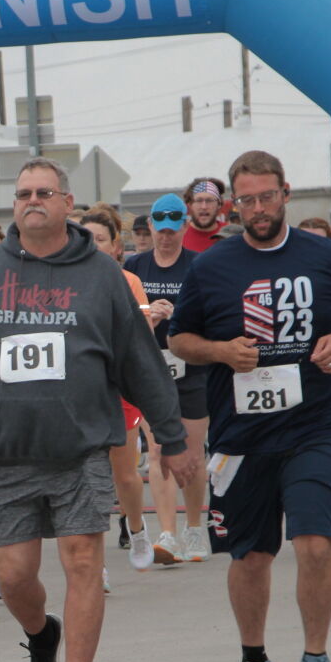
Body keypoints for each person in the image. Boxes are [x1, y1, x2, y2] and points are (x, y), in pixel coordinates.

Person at [0, 159, 194, 662]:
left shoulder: (101, 275)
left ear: (67, 202)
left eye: (43, 192)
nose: (32, 201)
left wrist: (171, 438)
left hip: (81, 451)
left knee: (82, 560)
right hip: (5, 453)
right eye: (23, 193)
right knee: (15, 574)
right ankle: (40, 637)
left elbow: (140, 365)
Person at [167, 150, 331, 662]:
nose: (257, 209)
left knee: (314, 543)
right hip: (241, 438)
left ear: (286, 193)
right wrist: (220, 351)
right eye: (246, 200)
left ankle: (317, 658)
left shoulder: (328, 255)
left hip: (314, 427)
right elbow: (180, 340)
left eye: (266, 196)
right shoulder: (211, 268)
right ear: (234, 205)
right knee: (251, 557)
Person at [126, 193, 212, 565]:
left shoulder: (200, 265)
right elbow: (126, 321)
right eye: (158, 231)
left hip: (191, 369)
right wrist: (152, 320)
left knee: (191, 454)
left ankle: (194, 527)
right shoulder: (136, 266)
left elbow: (211, 316)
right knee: (159, 451)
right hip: (151, 369)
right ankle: (167, 532)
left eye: (171, 231)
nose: (164, 237)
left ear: (183, 228)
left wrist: (179, 317)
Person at [82, 207, 155, 581]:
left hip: (118, 387)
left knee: (124, 475)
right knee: (89, 476)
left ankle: (139, 530)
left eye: (99, 239)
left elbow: (140, 333)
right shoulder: (65, 282)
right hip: (79, 391)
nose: (92, 246)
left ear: (114, 247)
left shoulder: (128, 281)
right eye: (85, 238)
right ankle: (98, 565)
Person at [180, 177, 229, 253]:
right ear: (190, 204)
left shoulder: (230, 234)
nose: (204, 207)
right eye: (199, 200)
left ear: (219, 204)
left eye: (209, 200)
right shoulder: (179, 237)